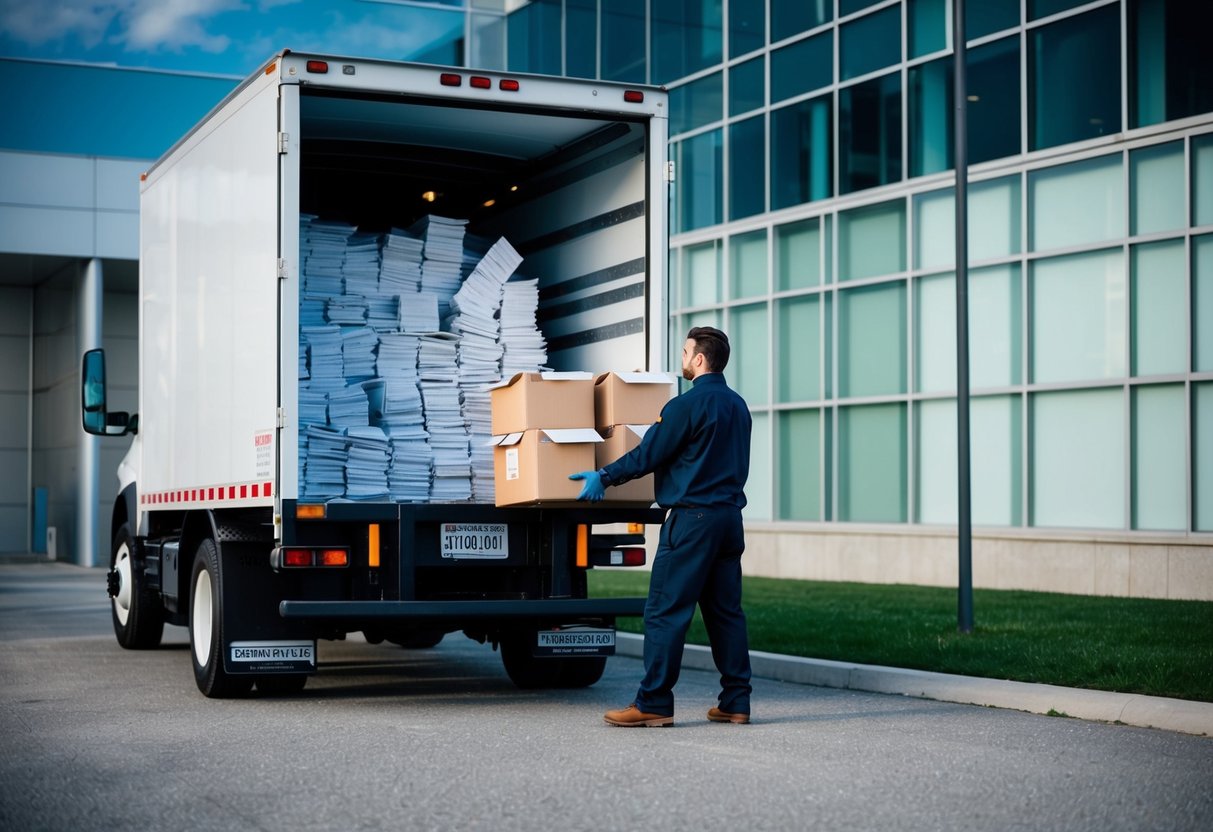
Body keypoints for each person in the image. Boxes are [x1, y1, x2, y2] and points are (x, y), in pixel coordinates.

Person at [569, 326, 753, 727]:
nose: (682, 359)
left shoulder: (685, 406)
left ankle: (652, 702)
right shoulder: (739, 406)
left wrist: (605, 475)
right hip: (728, 522)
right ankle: (736, 701)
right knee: (726, 614)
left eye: (686, 352)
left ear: (699, 359)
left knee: (665, 612)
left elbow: (648, 454)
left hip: (691, 521)